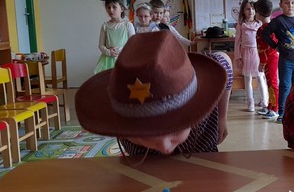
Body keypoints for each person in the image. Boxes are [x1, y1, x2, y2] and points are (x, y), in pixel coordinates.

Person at [76, 31, 233, 156]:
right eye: (147, 134)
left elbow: (225, 60)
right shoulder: (125, 119)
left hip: (202, 153)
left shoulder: (201, 104)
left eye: (176, 131)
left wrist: (221, 118)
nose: (165, 148)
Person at [259, 0, 294, 122]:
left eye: (293, 3)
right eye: (287, 3)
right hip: (285, 61)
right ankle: (282, 113)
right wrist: (275, 46)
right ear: (281, 5)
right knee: (285, 86)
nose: (290, 6)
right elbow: (264, 34)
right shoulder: (278, 21)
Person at [234, 0, 267, 113]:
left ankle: (264, 101)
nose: (251, 11)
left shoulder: (260, 24)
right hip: (246, 54)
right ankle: (250, 102)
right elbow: (237, 42)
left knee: (260, 77)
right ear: (243, 11)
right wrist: (238, 57)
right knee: (247, 78)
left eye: (253, 9)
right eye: (248, 9)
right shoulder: (241, 25)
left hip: (258, 53)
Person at [94, 0, 136, 74]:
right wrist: (108, 52)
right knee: (106, 78)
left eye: (114, 7)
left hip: (123, 58)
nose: (111, 10)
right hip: (107, 60)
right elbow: (101, 45)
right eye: (108, 7)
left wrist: (117, 51)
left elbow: (132, 44)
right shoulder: (105, 26)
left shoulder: (128, 25)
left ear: (122, 9)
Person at [254, 0, 279, 120]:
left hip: (269, 59)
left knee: (272, 83)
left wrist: (262, 63)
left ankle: (275, 109)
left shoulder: (262, 30)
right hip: (274, 57)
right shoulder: (274, 26)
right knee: (270, 82)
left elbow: (264, 49)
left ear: (258, 14)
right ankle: (270, 106)